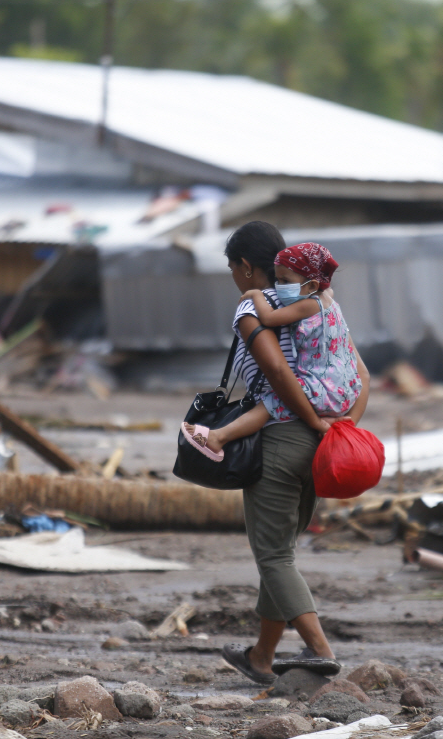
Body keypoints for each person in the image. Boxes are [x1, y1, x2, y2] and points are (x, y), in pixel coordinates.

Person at [216, 222, 371, 685]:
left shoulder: (251, 307)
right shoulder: (323, 305)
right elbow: (361, 374)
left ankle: (320, 650)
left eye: (231, 267)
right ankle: (262, 657)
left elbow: (278, 373)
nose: (234, 277)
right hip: (320, 444)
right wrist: (338, 430)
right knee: (280, 551)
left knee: (273, 556)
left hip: (284, 438)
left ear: (246, 266)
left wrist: (308, 422)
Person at [181, 242, 361, 459]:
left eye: (285, 281)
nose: (278, 286)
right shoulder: (328, 299)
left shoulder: (309, 304)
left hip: (321, 388)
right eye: (277, 280)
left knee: (270, 402)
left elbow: (268, 319)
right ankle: (327, 420)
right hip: (343, 390)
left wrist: (255, 295)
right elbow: (365, 375)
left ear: (312, 286)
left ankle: (219, 437)